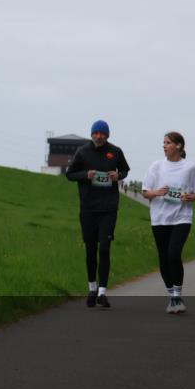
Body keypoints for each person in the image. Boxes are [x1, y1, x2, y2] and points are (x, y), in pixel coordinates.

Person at [65, 119, 130, 309]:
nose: (99, 136)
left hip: (108, 208)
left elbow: (125, 170)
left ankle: (102, 292)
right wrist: (85, 175)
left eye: (102, 133)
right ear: (91, 134)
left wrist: (118, 175)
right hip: (88, 208)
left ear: (107, 135)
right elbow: (70, 174)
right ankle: (92, 288)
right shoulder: (82, 152)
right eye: (96, 133)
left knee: (105, 248)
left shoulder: (115, 151)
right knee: (91, 249)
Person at [142, 131, 195, 314]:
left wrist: (190, 197)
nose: (164, 146)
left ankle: (177, 295)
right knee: (163, 258)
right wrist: (157, 192)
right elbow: (145, 192)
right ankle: (171, 296)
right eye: (163, 143)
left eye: (168, 143)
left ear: (179, 145)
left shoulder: (190, 167)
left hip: (181, 217)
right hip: (160, 218)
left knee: (174, 255)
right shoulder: (156, 166)